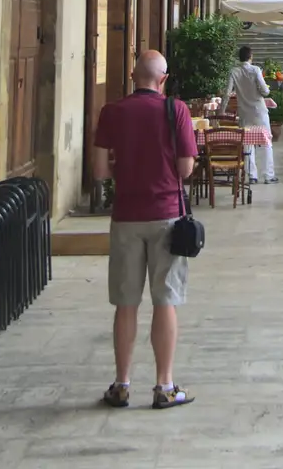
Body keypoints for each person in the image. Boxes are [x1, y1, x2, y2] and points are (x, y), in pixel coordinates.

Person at [93, 49, 198, 410]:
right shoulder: (176, 110)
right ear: (163, 79)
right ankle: (164, 386)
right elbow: (186, 169)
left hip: (126, 216)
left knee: (126, 303)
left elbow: (100, 172)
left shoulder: (112, 112)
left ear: (133, 75)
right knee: (165, 300)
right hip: (167, 214)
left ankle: (121, 384)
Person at [222, 44, 277, 184]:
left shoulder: (234, 71)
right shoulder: (255, 70)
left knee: (247, 143)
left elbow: (227, 93)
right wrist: (259, 91)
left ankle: (252, 175)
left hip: (244, 112)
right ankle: (268, 175)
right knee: (266, 142)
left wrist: (221, 111)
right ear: (250, 57)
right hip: (259, 111)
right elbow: (265, 91)